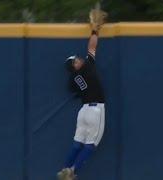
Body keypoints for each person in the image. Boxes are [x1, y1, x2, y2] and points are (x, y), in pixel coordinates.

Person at [57, 25, 105, 180]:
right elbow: (92, 45)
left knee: (77, 144)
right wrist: (95, 30)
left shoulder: (72, 80)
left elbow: (73, 90)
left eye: (76, 59)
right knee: (91, 145)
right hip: (95, 110)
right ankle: (72, 171)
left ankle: (65, 169)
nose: (78, 60)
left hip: (83, 112)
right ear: (74, 67)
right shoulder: (88, 66)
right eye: (75, 61)